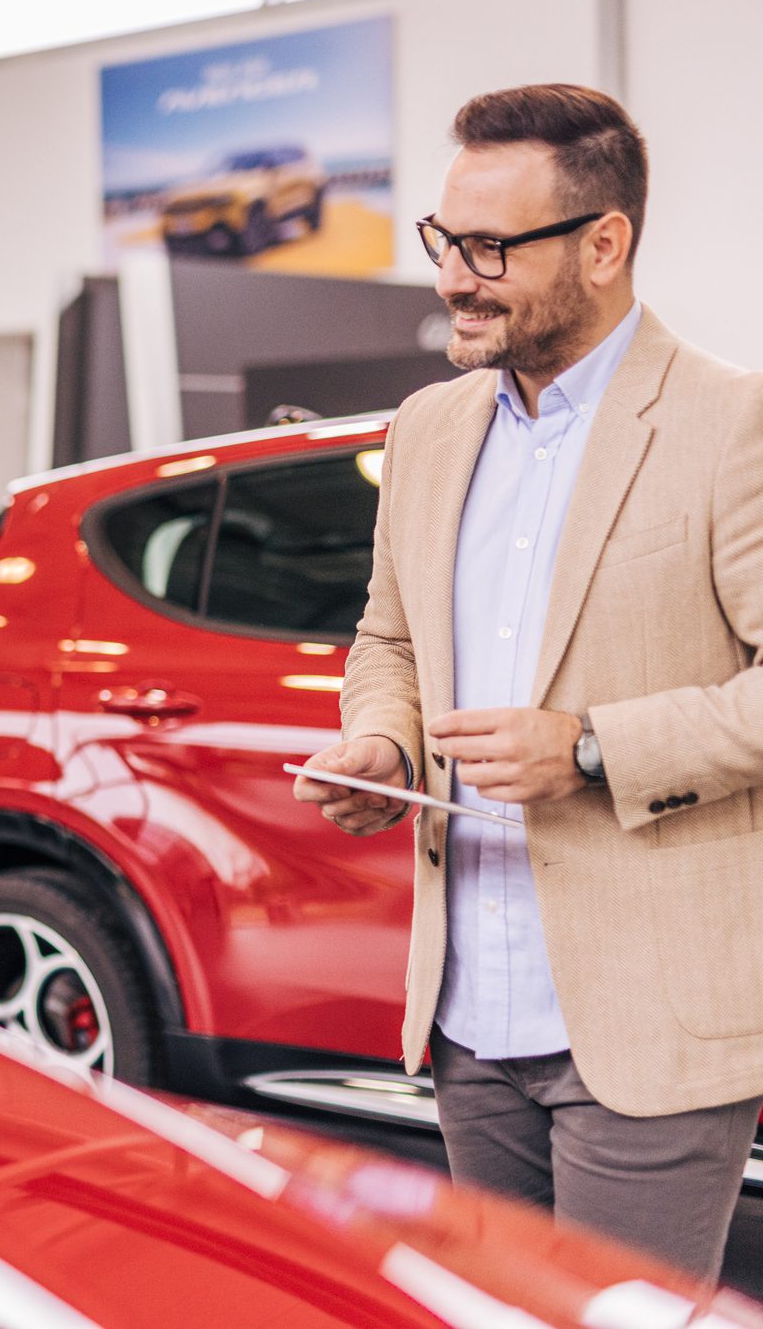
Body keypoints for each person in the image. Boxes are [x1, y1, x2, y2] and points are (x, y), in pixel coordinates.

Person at [293, 84, 763, 1280]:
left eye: (490, 248)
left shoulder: (728, 425)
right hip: (464, 1011)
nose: (453, 276)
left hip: (645, 1022)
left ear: (603, 244)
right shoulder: (425, 429)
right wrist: (382, 747)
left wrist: (591, 747)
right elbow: (388, 641)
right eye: (444, 241)